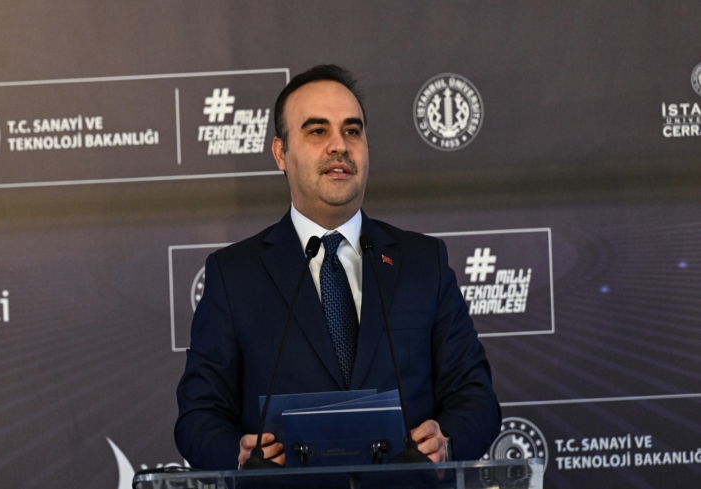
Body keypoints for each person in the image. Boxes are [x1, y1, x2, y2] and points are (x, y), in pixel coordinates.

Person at [175, 65, 501, 469]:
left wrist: (446, 440)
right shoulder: (234, 275)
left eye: (352, 131)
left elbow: (475, 396)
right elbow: (199, 415)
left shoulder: (423, 262)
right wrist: (237, 455)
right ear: (281, 153)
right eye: (317, 131)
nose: (339, 146)